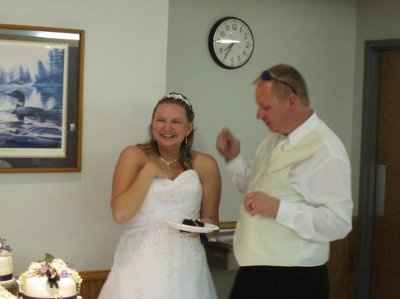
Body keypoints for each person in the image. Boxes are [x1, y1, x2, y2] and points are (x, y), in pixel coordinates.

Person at [216, 64, 353, 299]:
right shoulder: (273, 140)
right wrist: (234, 159)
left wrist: (279, 209)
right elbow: (259, 191)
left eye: (265, 107)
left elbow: (339, 223)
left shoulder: (325, 150)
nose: (259, 115)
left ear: (291, 101)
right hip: (256, 273)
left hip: (294, 281)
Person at [98, 92, 221, 299]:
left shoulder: (205, 164)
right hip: (139, 261)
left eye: (176, 122)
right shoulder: (134, 156)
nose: (167, 128)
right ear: (152, 123)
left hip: (187, 265)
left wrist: (200, 227)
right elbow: (120, 214)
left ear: (189, 128)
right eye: (161, 120)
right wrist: (148, 172)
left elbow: (212, 224)